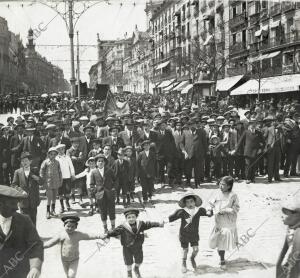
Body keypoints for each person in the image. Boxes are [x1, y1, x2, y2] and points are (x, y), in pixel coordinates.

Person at [103, 208, 164, 278]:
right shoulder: (123, 226)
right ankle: (129, 273)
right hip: (127, 248)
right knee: (128, 262)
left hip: (138, 247)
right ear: (126, 218)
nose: (131, 219)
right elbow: (114, 231)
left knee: (139, 261)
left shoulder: (141, 224)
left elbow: (149, 224)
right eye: (129, 217)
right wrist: (107, 234)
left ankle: (136, 268)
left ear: (136, 217)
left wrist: (159, 224)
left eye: (133, 217)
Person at [0, 184, 43, 278]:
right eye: (12, 204)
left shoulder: (25, 220)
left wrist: (35, 267)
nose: (16, 208)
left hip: (20, 273)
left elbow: (36, 245)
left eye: (17, 203)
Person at [167, 192, 211, 273]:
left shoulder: (199, 210)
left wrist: (209, 211)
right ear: (184, 204)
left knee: (196, 250)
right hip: (184, 235)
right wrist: (165, 220)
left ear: (195, 202)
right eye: (187, 202)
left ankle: (192, 258)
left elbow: (208, 213)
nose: (189, 204)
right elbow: (171, 217)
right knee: (185, 250)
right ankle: (183, 263)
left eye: (191, 201)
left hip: (194, 234)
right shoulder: (182, 211)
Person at [207, 176, 240, 267]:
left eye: (223, 185)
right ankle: (221, 253)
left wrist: (226, 210)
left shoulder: (233, 195)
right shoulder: (216, 194)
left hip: (228, 222)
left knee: (223, 240)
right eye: (220, 184)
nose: (221, 186)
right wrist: (209, 210)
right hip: (219, 221)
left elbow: (236, 208)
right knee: (217, 240)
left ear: (229, 186)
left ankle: (222, 259)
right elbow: (210, 204)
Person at [11, 152, 41, 226]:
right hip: (23, 201)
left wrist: (32, 175)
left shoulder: (35, 170)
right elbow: (13, 185)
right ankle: (26, 237)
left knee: (33, 219)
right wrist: (21, 191)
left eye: (26, 160)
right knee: (24, 221)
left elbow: (42, 182)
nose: (24, 162)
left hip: (34, 200)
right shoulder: (17, 172)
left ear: (30, 161)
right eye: (22, 161)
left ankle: (34, 236)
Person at [90, 154, 116, 233]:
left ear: (104, 162)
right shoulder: (94, 172)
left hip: (109, 193)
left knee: (111, 210)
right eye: (99, 161)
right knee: (102, 211)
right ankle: (105, 228)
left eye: (102, 161)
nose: (100, 163)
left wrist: (113, 189)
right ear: (96, 163)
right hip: (100, 195)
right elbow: (91, 184)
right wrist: (95, 192)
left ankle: (113, 227)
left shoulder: (109, 170)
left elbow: (115, 180)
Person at [276, 198, 300, 278]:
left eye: (290, 214)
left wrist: (288, 271)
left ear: (297, 217)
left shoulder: (298, 231)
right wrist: (278, 265)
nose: (285, 217)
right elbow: (284, 250)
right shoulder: (291, 230)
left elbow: (295, 255)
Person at [40, 147, 63, 219]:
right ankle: (48, 211)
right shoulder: (45, 162)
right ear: (48, 154)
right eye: (51, 154)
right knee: (49, 197)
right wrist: (42, 180)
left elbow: (60, 172)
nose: (53, 156)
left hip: (56, 181)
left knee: (54, 197)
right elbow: (41, 171)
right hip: (48, 182)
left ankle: (53, 210)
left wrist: (60, 180)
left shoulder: (57, 162)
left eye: (54, 154)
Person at [56, 144, 75, 213]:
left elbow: (71, 166)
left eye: (62, 149)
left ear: (64, 150)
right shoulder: (56, 158)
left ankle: (67, 202)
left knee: (67, 191)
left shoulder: (67, 157)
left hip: (67, 177)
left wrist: (72, 174)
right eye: (59, 150)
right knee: (60, 192)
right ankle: (62, 206)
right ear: (57, 151)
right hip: (59, 178)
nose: (61, 151)